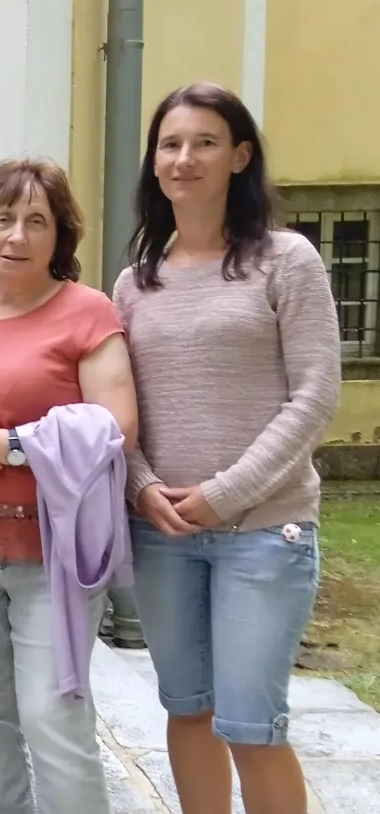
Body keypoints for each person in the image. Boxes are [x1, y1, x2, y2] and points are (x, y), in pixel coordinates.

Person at [114, 82, 341, 814]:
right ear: (154, 163)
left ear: (240, 156)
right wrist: (145, 487)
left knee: (252, 725)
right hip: (165, 532)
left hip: (262, 535)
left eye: (205, 142)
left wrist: (225, 493)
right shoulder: (133, 283)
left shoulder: (286, 261)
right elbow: (121, 410)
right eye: (171, 144)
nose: (185, 158)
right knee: (187, 709)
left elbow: (314, 397)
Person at [0, 158, 138, 814]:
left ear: (60, 235)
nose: (16, 235)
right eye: (3, 218)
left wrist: (11, 445)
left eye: (35, 221)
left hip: (54, 560)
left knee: (53, 718)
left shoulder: (86, 312)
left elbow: (117, 426)